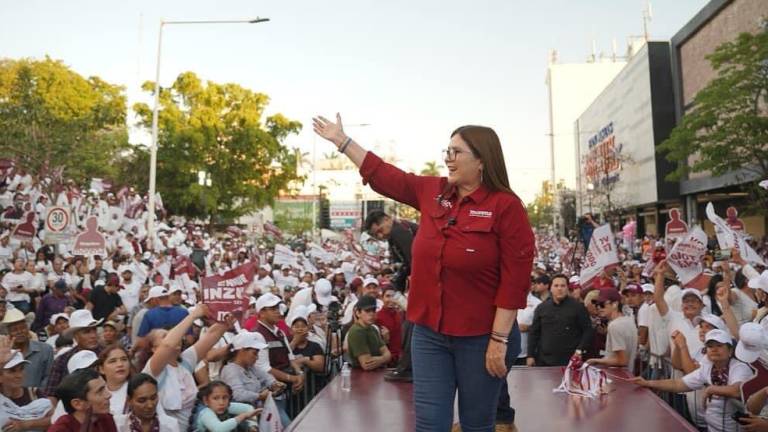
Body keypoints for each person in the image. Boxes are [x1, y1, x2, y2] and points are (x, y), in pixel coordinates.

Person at [314, 116, 534, 432]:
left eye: (457, 152)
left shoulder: (507, 207)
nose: (448, 157)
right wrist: (342, 141)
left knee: (476, 424)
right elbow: (384, 175)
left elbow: (515, 281)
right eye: (447, 150)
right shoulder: (432, 191)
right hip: (430, 333)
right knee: (429, 424)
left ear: (482, 160)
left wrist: (499, 340)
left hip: (481, 337)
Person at [631, 329, 752, 432]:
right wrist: (647, 383)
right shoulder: (708, 367)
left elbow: (737, 390)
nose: (714, 349)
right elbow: (678, 384)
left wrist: (711, 389)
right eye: (710, 346)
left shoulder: (739, 367)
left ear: (730, 350)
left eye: (719, 345)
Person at [143, 304, 228, 431]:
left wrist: (226, 320)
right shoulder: (154, 369)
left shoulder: (185, 362)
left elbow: (211, 335)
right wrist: (193, 315)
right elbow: (167, 346)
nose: (174, 337)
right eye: (165, 335)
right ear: (154, 349)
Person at [526, 274, 593, 367]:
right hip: (545, 361)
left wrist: (579, 350)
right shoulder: (542, 308)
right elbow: (534, 333)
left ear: (567, 288)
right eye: (556, 286)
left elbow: (588, 330)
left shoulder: (578, 307)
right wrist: (530, 355)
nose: (559, 288)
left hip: (570, 361)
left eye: (562, 286)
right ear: (551, 288)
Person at [0, 346, 53, 431]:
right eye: (12, 371)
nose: (19, 375)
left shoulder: (34, 393)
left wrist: (28, 424)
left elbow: (54, 419)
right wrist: (2, 362)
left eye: (21, 369)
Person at [585, 289, 638, 374]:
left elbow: (622, 361)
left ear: (615, 304)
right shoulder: (629, 320)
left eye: (602, 304)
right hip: (628, 374)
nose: (598, 307)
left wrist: (595, 360)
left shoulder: (614, 326)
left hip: (617, 375)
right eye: (597, 304)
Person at [49, 368, 117, 432]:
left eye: (105, 388)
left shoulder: (106, 419)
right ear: (77, 404)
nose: (109, 395)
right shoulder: (60, 430)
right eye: (100, 391)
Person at [2, 308, 54, 388]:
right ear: (8, 333)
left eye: (23, 328)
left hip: (38, 397)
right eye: (14, 330)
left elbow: (49, 377)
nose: (20, 332)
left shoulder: (46, 349)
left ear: (28, 329)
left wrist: (38, 394)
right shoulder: (4, 353)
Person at [113, 373, 180, 432]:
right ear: (129, 401)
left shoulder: (170, 425)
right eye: (142, 401)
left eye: (153, 398)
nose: (150, 405)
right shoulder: (118, 425)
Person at [347, 294, 392, 370]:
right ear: (358, 313)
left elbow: (388, 355)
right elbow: (367, 364)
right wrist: (384, 358)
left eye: (373, 310)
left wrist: (381, 359)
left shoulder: (373, 329)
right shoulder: (357, 331)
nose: (371, 314)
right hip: (361, 377)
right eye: (367, 311)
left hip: (375, 376)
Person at [195, 381, 261, 432]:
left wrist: (252, 426)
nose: (221, 402)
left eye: (225, 397)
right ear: (206, 400)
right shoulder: (205, 413)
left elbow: (248, 408)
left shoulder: (226, 406)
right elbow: (219, 429)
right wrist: (243, 416)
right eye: (215, 398)